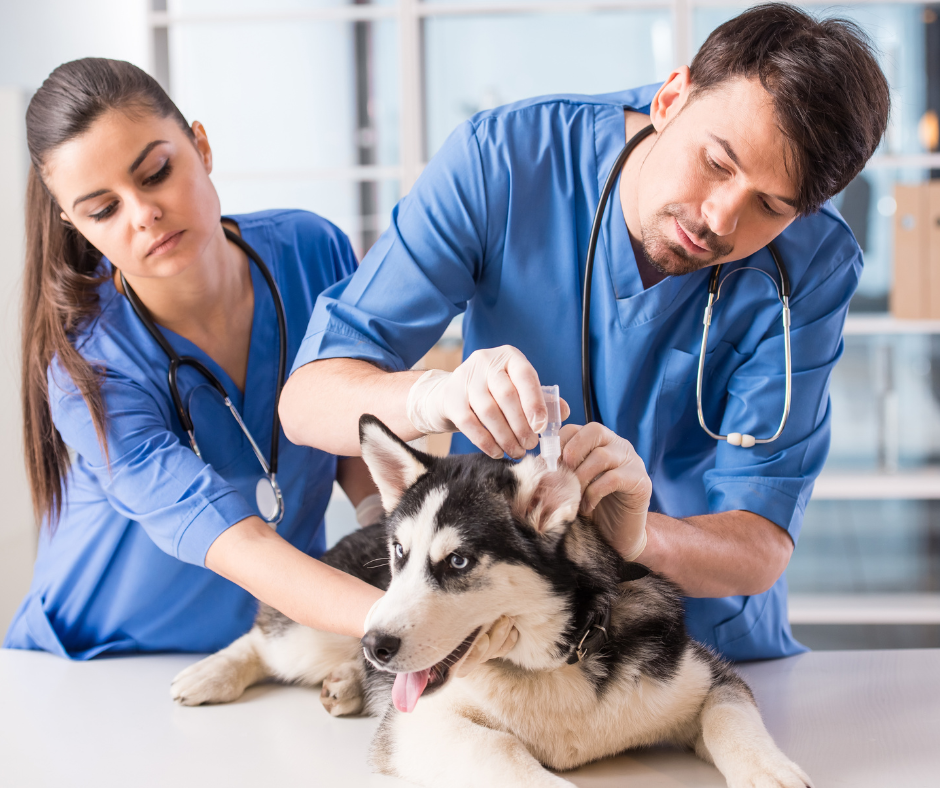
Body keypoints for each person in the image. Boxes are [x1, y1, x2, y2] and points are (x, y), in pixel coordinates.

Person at [278, 4, 891, 661]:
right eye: (716, 163)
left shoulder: (811, 265)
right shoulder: (507, 164)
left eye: (770, 206)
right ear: (672, 97)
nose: (718, 218)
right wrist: (436, 397)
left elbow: (760, 546)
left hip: (694, 649)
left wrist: (639, 538)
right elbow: (307, 404)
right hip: (509, 641)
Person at [3, 58, 391, 659]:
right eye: (103, 210)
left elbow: (347, 410)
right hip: (101, 663)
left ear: (200, 146)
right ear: (75, 224)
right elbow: (245, 546)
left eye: (156, 173)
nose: (142, 215)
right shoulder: (91, 365)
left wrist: (380, 522)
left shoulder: (313, 251)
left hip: (272, 650)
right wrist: (419, 620)